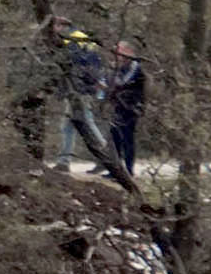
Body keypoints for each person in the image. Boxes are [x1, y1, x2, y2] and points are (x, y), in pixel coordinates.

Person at [54, 28, 109, 169]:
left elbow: (74, 69)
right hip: (80, 91)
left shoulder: (72, 42)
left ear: (60, 26)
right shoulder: (82, 41)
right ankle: (64, 161)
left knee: (88, 124)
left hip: (79, 92)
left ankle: (107, 157)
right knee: (68, 127)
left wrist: (70, 90)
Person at [105, 40, 146, 176]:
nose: (118, 55)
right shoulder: (120, 67)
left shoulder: (135, 67)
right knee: (115, 135)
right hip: (119, 105)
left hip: (131, 106)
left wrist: (114, 74)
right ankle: (116, 170)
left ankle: (128, 169)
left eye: (120, 51)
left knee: (127, 138)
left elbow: (122, 82)